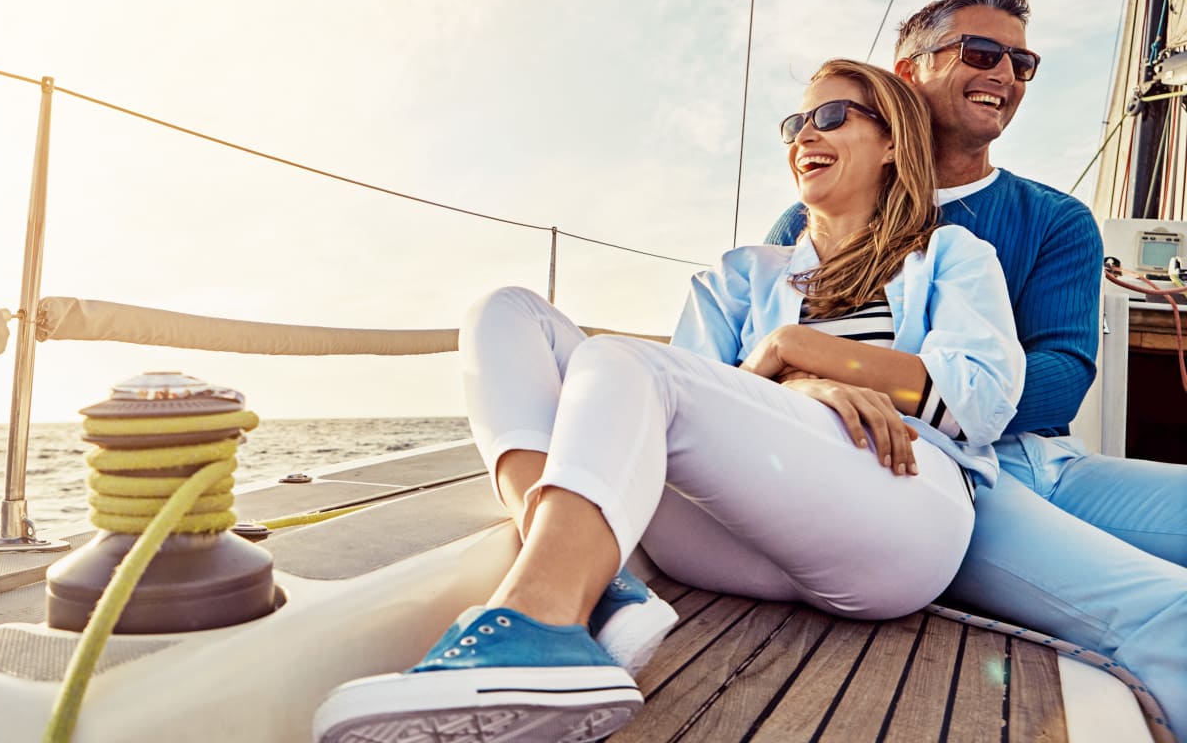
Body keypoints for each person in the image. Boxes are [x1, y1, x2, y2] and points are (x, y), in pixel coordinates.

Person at [311, 59, 1025, 743]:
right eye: (795, 122)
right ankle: (593, 578)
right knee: (504, 311)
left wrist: (803, 351)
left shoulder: (949, 255)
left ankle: (540, 623)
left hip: (893, 511)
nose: (805, 135)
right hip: (729, 538)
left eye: (832, 116)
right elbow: (689, 399)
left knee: (619, 358)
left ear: (893, 141)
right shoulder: (742, 274)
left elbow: (982, 402)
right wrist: (784, 384)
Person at [766, 0, 1187, 739]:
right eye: (980, 53)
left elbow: (1063, 372)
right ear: (909, 70)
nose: (1007, 74)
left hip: (1038, 459)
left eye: (1022, 62)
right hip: (914, 468)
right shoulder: (809, 222)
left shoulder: (1054, 219)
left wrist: (935, 395)